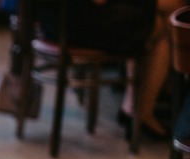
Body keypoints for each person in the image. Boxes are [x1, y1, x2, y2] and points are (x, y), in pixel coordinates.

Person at [37, 0, 184, 138]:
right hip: (79, 26)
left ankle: (137, 108)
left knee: (162, 14)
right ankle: (142, 111)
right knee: (169, 16)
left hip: (52, 21)